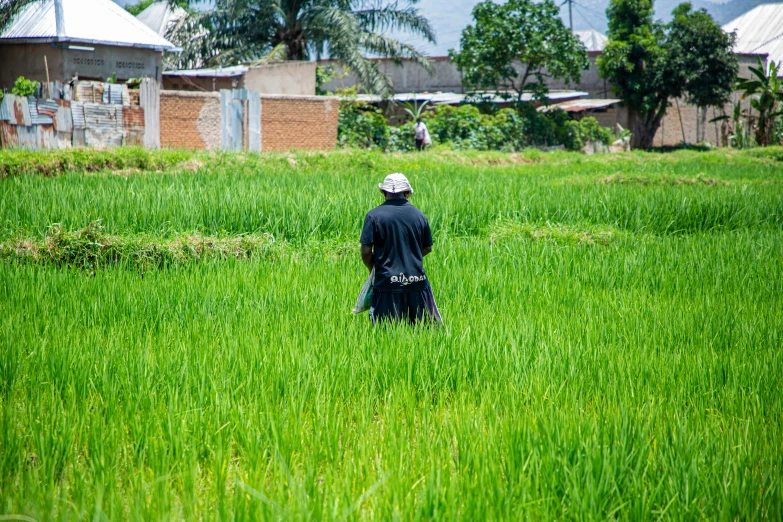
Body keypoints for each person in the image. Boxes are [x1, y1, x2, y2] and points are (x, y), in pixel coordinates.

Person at [360, 173, 442, 325]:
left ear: (384, 192)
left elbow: (365, 252)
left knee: (384, 334)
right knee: (422, 334)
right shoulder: (419, 215)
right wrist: (409, 258)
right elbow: (427, 248)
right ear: (406, 193)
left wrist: (375, 268)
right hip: (417, 282)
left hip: (386, 283)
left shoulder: (373, 216)